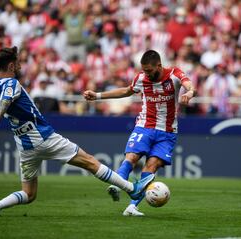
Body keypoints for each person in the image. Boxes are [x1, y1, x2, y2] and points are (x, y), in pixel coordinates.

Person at [0, 46, 155, 216]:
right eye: (17, 63)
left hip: (24, 145)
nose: (20, 65)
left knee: (29, 194)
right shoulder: (12, 83)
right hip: (42, 137)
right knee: (90, 162)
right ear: (11, 66)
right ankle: (133, 189)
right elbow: (5, 101)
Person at [83, 49, 196, 216]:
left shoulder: (174, 74)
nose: (146, 74)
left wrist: (189, 92)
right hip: (145, 126)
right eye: (144, 70)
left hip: (167, 131)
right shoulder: (141, 78)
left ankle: (132, 207)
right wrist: (98, 95)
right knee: (132, 157)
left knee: (152, 166)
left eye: (149, 70)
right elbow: (126, 91)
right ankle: (117, 184)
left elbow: (188, 84)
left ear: (159, 65)